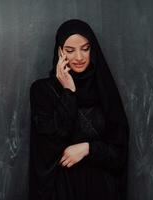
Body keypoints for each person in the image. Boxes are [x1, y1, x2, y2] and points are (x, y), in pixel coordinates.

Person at [29, 19, 129, 200]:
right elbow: (52, 142)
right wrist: (69, 92)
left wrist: (88, 148)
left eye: (85, 48)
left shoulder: (104, 90)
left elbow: (119, 154)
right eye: (70, 50)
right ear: (59, 51)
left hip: (102, 190)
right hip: (62, 190)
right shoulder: (42, 91)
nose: (79, 57)